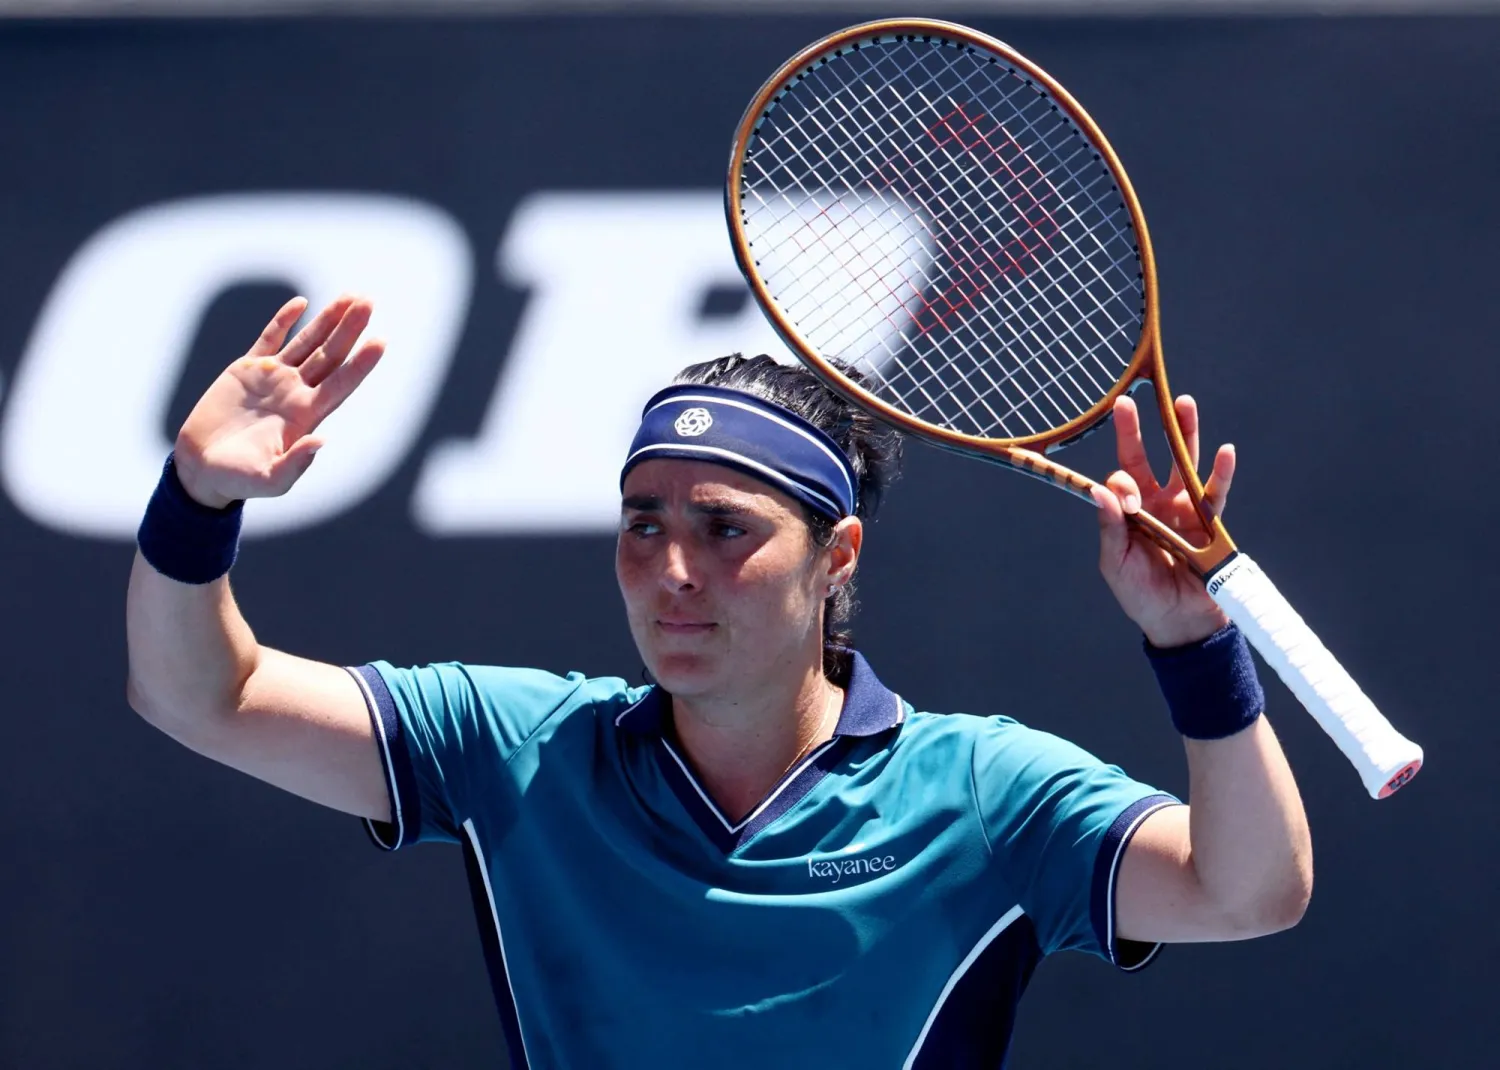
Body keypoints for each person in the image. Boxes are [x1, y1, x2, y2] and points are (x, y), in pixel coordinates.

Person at [126, 294, 1311, 1068]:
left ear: (836, 556)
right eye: (643, 523)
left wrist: (1195, 648)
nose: (672, 570)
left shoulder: (988, 793)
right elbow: (200, 695)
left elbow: (1250, 890)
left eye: (724, 526)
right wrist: (199, 502)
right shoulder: (514, 750)